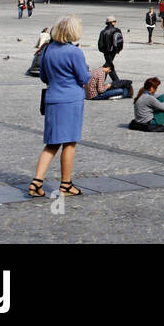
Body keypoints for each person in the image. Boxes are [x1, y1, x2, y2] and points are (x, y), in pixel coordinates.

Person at [29, 16, 90, 198]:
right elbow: (83, 78)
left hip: (52, 98)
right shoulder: (74, 52)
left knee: (52, 143)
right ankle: (65, 184)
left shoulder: (47, 50)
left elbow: (44, 77)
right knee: (69, 143)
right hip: (70, 100)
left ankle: (36, 181)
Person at [97, 17, 124, 82]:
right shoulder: (117, 30)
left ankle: (100, 81)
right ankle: (116, 81)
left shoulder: (103, 32)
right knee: (109, 65)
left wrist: (103, 51)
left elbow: (100, 45)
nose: (115, 22)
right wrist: (118, 49)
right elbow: (120, 41)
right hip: (114, 51)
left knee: (108, 65)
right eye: (114, 21)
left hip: (106, 52)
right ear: (112, 22)